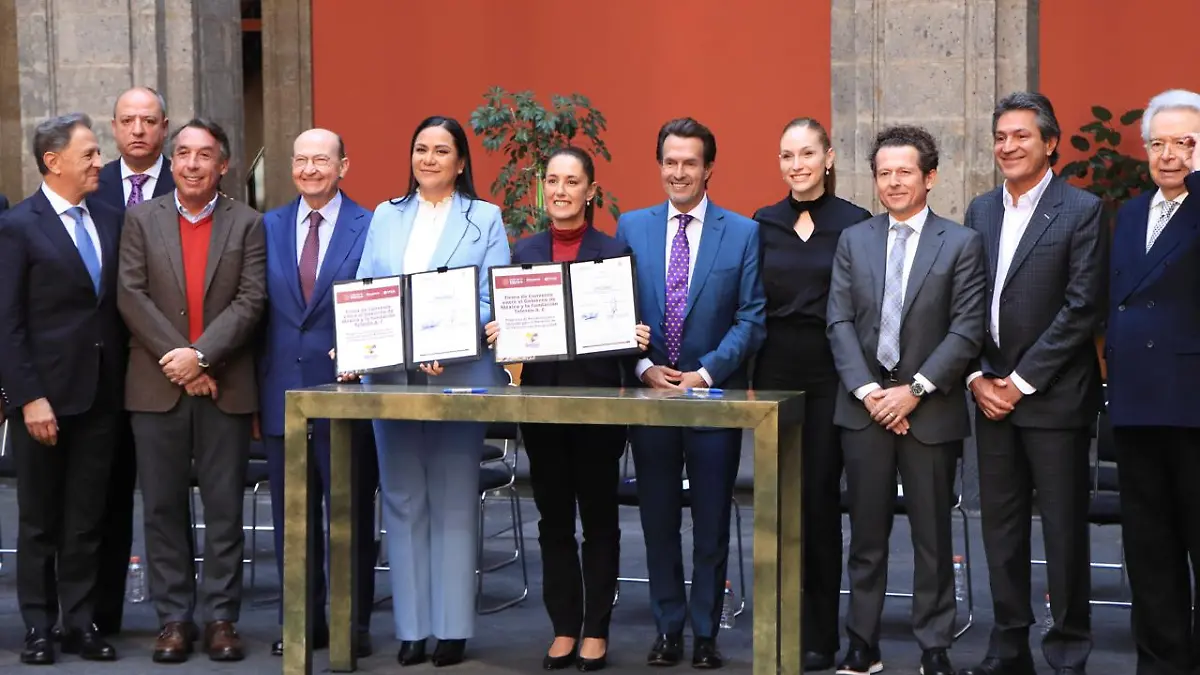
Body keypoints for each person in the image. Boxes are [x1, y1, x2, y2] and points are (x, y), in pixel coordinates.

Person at [827, 125, 986, 675]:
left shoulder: (961, 243)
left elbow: (966, 329)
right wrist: (872, 393)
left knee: (932, 537)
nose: (893, 182)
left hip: (930, 411)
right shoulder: (855, 240)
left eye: (905, 171)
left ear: (930, 177)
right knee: (866, 537)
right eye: (884, 173)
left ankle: (934, 646)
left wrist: (913, 391)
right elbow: (838, 321)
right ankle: (861, 643)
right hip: (865, 411)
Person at [482, 147, 649, 672]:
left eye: (572, 181)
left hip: (598, 406)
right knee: (553, 521)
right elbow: (514, 334)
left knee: (599, 521)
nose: (560, 190)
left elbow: (624, 328)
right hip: (542, 405)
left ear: (590, 191)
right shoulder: (524, 251)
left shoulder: (613, 252)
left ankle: (595, 629)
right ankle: (563, 627)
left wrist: (633, 334)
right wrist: (501, 330)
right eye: (552, 181)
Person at [355, 115, 510, 668]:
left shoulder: (485, 217)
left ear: (461, 162)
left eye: (441, 150)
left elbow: (493, 296)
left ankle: (451, 628)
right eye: (421, 148)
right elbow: (368, 289)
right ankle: (412, 628)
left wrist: (449, 338)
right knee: (400, 498)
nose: (428, 158)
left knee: (451, 497)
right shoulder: (386, 215)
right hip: (390, 378)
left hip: (459, 374)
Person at [959, 92, 1105, 675]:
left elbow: (1082, 307)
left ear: (1050, 143)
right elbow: (965, 302)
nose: (1008, 146)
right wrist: (976, 375)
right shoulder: (980, 211)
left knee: (1064, 532)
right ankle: (1009, 645)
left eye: (1021, 135)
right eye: (1000, 136)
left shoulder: (1082, 209)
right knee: (1000, 529)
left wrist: (1019, 382)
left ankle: (1068, 650)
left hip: (1053, 398)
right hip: (988, 394)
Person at [616, 117, 766, 669]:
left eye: (689, 163)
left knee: (710, 522)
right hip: (651, 396)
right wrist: (643, 367)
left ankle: (706, 632)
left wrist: (703, 374)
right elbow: (616, 310)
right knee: (657, 522)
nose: (678, 172)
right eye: (670, 162)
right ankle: (667, 629)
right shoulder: (631, 227)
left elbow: (751, 318)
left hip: (711, 398)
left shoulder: (743, 232)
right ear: (660, 165)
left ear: (708, 169)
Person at [117, 118, 266, 663]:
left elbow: (251, 300)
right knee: (162, 508)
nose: (192, 164)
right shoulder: (140, 219)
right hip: (156, 387)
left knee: (224, 508)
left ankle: (222, 618)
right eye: (182, 153)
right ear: (172, 161)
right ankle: (174, 618)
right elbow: (131, 296)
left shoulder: (248, 223)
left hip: (225, 384)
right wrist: (182, 362)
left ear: (222, 165)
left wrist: (201, 357)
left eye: (204, 155)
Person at [0, 113, 124, 664]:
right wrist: (28, 397)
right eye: (89, 154)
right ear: (53, 162)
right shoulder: (18, 226)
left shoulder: (110, 217)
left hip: (101, 394)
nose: (100, 162)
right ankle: (38, 626)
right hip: (42, 399)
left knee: (86, 518)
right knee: (39, 520)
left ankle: (80, 621)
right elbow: (7, 322)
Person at [751, 117, 871, 672]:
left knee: (819, 503)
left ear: (828, 157)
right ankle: (779, 626)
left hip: (830, 374)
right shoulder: (763, 222)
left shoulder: (856, 222)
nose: (796, 165)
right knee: (776, 506)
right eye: (786, 155)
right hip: (774, 370)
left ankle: (821, 633)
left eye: (806, 154)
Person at [257, 128, 379, 658]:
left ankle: (352, 624)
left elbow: (380, 299)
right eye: (301, 160)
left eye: (321, 160)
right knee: (293, 520)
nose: (309, 169)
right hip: (282, 392)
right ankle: (301, 624)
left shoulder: (370, 226)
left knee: (349, 517)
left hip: (346, 392)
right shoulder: (267, 226)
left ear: (343, 166)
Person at [1106, 89, 1200, 675]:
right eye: (1158, 143)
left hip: (1191, 401)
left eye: (1185, 142)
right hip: (1137, 401)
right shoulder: (1132, 211)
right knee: (1149, 548)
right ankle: (1162, 662)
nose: (1170, 155)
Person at [91, 85, 176, 637]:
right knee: (104, 495)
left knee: (169, 498)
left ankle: (178, 616)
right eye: (128, 120)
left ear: (165, 126)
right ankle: (101, 617)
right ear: (114, 127)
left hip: (171, 365)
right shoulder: (90, 186)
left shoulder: (189, 181)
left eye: (148, 120)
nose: (138, 130)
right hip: (101, 369)